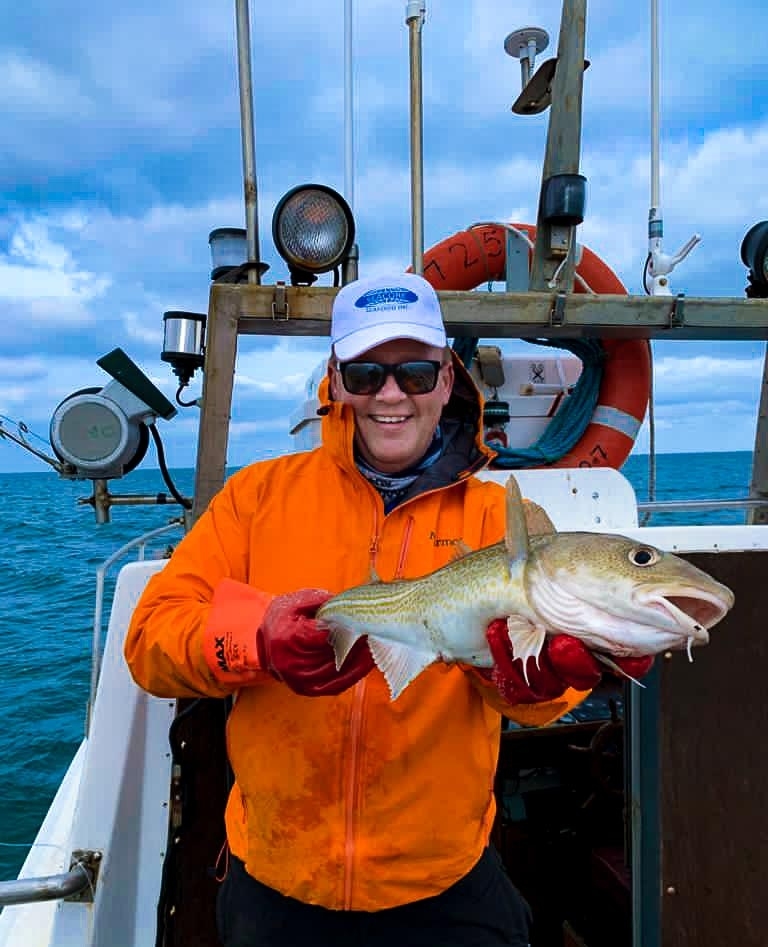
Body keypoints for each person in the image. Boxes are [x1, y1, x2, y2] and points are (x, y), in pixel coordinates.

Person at [124, 272, 652, 947]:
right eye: (368, 372)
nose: (391, 394)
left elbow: (535, 692)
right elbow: (149, 638)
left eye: (414, 371)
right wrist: (255, 638)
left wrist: (539, 682)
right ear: (337, 381)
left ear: (447, 375)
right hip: (279, 886)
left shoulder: (504, 517)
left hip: (445, 890)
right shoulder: (256, 498)